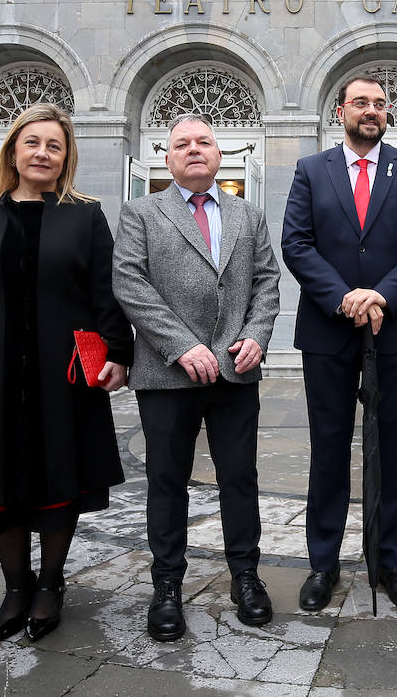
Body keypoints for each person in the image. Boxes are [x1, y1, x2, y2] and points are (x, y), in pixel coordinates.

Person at [0, 103, 132, 642]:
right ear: (13, 151)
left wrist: (118, 352)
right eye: (33, 143)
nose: (43, 153)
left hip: (59, 372)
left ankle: (51, 584)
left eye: (54, 146)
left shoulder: (85, 215)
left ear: (66, 158)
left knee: (57, 474)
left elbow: (105, 292)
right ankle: (16, 586)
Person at [112, 113, 281, 642]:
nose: (193, 150)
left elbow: (266, 280)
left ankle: (245, 576)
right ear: (167, 158)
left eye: (203, 142)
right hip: (166, 375)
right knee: (166, 483)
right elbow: (129, 283)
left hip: (236, 371)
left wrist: (256, 334)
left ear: (218, 153)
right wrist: (182, 346)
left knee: (240, 479)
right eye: (181, 143)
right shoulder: (141, 212)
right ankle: (166, 585)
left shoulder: (247, 214)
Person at [281, 73, 397, 612]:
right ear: (340, 112)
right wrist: (346, 297)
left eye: (378, 103)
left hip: (394, 330)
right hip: (328, 330)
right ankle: (323, 564)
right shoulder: (311, 170)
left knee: (391, 446)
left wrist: (381, 295)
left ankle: (390, 561)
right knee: (329, 447)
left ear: (388, 114)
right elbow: (296, 244)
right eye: (359, 103)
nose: (369, 111)